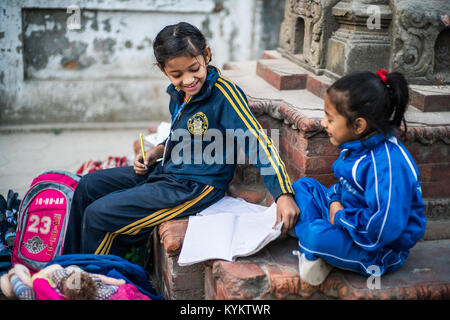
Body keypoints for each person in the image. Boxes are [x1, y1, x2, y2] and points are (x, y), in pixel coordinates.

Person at [63, 22, 299, 257]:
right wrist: (157, 151)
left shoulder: (224, 95)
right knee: (87, 186)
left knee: (99, 215)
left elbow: (257, 143)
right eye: (177, 74)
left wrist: (283, 194)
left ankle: (90, 279)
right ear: (162, 69)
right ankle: (67, 266)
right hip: (166, 171)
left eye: (193, 69)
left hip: (195, 186)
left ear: (206, 55)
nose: (188, 80)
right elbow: (184, 137)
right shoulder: (179, 95)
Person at [292, 69, 426, 285]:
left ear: (358, 125)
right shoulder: (358, 145)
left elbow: (383, 228)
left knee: (314, 235)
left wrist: (341, 217)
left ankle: (319, 247)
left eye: (330, 118)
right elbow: (346, 187)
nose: (323, 123)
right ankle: (325, 249)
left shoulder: (388, 166)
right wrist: (335, 202)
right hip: (347, 218)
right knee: (303, 187)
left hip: (378, 249)